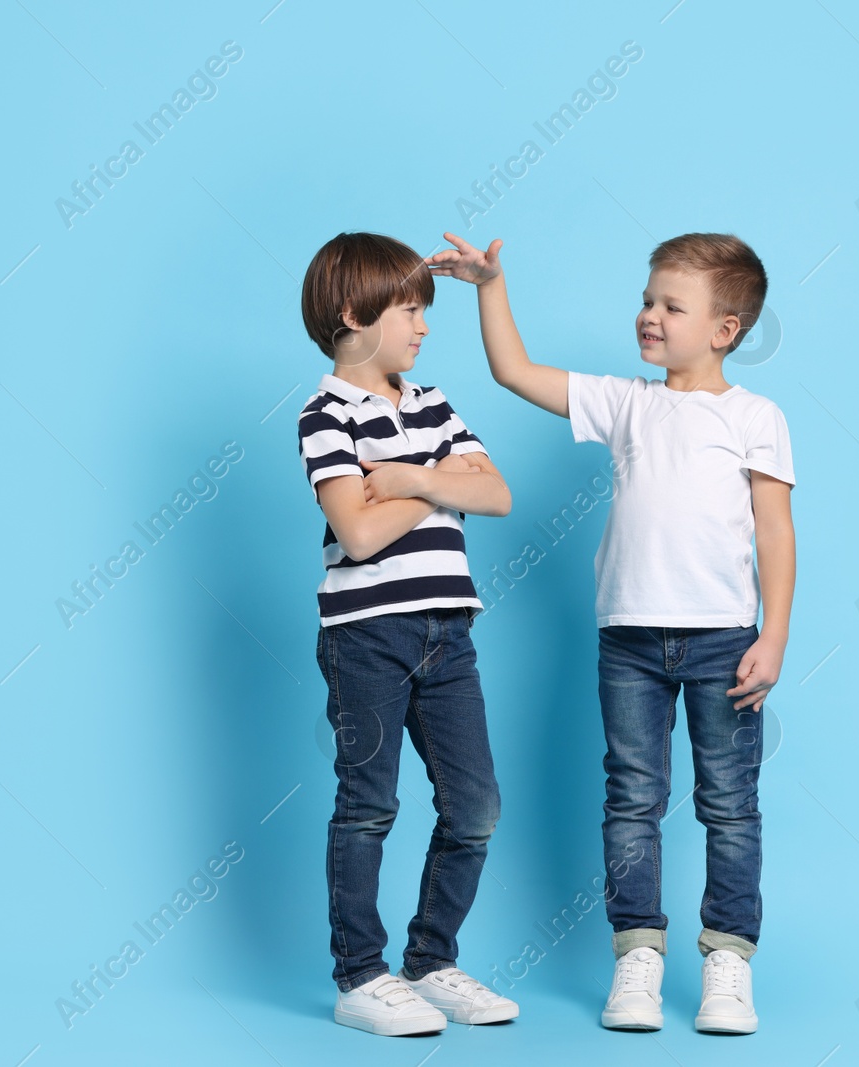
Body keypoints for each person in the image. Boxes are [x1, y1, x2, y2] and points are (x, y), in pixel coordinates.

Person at [428, 230, 796, 1034]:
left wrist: (774, 635)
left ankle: (728, 961)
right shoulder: (628, 402)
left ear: (725, 329)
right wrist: (491, 285)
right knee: (632, 798)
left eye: (671, 304)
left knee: (730, 803)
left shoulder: (757, 417)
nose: (649, 315)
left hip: (725, 642)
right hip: (627, 640)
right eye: (647, 298)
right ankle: (638, 955)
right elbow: (513, 371)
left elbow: (775, 531)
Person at [297, 231, 519, 1036]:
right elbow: (354, 536)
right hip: (366, 635)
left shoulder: (432, 403)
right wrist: (439, 487)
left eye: (427, 309)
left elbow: (494, 493)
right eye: (410, 309)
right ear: (354, 316)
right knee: (369, 803)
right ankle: (361, 974)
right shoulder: (324, 416)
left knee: (477, 804)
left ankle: (431, 959)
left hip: (448, 630)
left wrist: (410, 479)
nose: (425, 325)